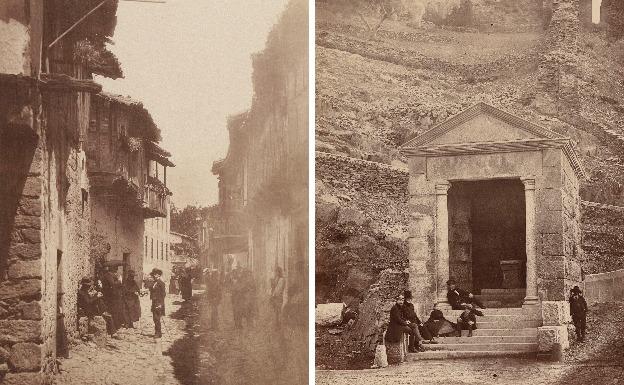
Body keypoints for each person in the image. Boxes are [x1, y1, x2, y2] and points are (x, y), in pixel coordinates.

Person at [100, 266, 125, 336]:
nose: (116, 272)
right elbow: (113, 284)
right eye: (116, 270)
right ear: (113, 270)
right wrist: (119, 281)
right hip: (109, 297)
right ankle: (113, 329)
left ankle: (115, 327)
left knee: (114, 311)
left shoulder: (110, 275)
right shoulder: (108, 275)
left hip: (112, 296)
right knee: (112, 312)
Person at [147, 268, 166, 338]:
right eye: (154, 274)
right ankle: (158, 332)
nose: (154, 275)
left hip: (159, 303)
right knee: (155, 318)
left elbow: (163, 294)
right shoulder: (154, 282)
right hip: (154, 302)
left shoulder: (161, 283)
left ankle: (158, 333)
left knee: (157, 318)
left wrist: (160, 304)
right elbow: (151, 289)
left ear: (159, 275)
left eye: (156, 274)